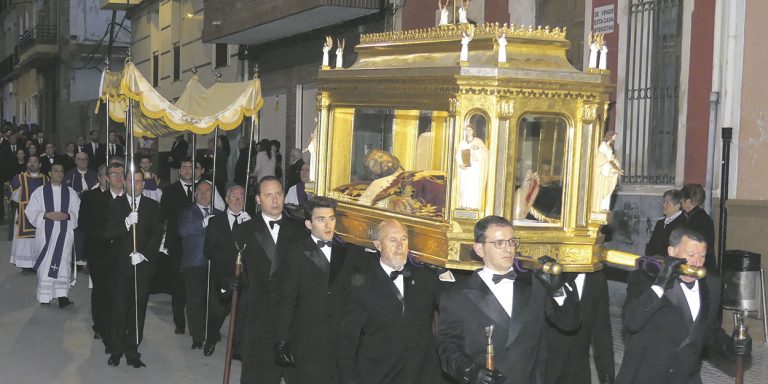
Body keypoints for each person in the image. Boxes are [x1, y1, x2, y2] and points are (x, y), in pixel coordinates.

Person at [438, 215, 580, 384]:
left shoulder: (534, 284)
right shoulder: (456, 295)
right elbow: (448, 349)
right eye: (499, 243)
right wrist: (472, 372)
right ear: (479, 249)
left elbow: (570, 323)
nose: (508, 249)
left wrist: (557, 289)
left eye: (511, 242)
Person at [617, 227, 752, 383]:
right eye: (691, 255)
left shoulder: (711, 286)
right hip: (645, 377)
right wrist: (660, 285)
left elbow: (709, 332)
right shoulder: (644, 279)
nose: (697, 263)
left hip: (686, 377)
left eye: (702, 256)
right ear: (672, 252)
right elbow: (631, 322)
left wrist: (732, 347)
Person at [336, 219, 443, 384]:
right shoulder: (362, 285)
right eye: (392, 240)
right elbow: (346, 340)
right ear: (378, 245)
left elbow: (454, 306)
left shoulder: (426, 279)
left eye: (404, 239)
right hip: (379, 375)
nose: (400, 245)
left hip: (423, 375)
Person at [275, 196, 361, 384]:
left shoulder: (348, 251)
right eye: (321, 220)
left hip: (340, 339)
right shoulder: (296, 252)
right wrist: (282, 341)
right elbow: (287, 299)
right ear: (308, 223)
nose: (328, 225)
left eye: (331, 218)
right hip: (308, 338)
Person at [237, 176, 305, 384]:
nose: (275, 200)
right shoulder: (245, 230)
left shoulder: (300, 229)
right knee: (260, 373)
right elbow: (232, 268)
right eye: (268, 195)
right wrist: (228, 282)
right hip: (260, 315)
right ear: (258, 199)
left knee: (299, 372)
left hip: (295, 315)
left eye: (279, 194)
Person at [104, 169, 163, 368]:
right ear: (125, 182)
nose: (135, 185)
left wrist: (144, 254)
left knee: (137, 311)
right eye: (131, 181)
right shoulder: (114, 205)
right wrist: (126, 223)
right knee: (119, 309)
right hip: (120, 266)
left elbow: (157, 233)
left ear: (143, 185)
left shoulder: (152, 206)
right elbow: (107, 232)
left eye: (139, 182)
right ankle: (116, 350)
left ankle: (132, 351)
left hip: (142, 266)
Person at [542, 270, 614, 384]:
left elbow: (602, 329)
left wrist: (607, 375)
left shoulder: (596, 277)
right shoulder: (547, 272)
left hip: (578, 369)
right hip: (544, 368)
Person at [205, 185, 252, 358]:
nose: (238, 199)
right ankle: (211, 338)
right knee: (218, 312)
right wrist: (228, 269)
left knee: (241, 314)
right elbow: (209, 250)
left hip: (245, 277)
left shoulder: (251, 221)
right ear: (226, 199)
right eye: (234, 196)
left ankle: (237, 349)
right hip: (223, 275)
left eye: (241, 196)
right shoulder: (215, 221)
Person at [178, 181, 224, 353]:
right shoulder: (187, 212)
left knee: (214, 302)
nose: (204, 194)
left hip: (215, 264)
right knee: (195, 301)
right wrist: (203, 223)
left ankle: (212, 331)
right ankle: (197, 336)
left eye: (208, 191)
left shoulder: (220, 214)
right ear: (195, 194)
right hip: (194, 263)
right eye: (201, 191)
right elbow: (183, 231)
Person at [26, 163, 80, 307]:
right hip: (46, 233)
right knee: (46, 262)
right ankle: (45, 296)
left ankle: (62, 295)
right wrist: (46, 214)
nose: (59, 173)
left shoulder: (71, 193)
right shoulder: (39, 192)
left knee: (63, 262)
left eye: (61, 171)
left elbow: (77, 211)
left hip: (64, 233)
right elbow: (30, 211)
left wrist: (67, 216)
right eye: (55, 171)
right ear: (49, 173)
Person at [334, 149, 446, 217]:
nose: (380, 161)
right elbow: (364, 203)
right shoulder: (376, 185)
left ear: (392, 156)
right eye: (373, 164)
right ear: (373, 175)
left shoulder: (417, 174)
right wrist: (389, 202)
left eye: (380, 156)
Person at [79, 164, 120, 344]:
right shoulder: (89, 196)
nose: (111, 178)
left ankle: (117, 323)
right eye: (107, 175)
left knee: (117, 289)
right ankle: (100, 326)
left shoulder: (123, 196)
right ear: (100, 177)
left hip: (119, 252)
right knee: (101, 290)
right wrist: (105, 235)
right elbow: (83, 223)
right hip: (98, 251)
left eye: (119, 174)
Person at [9, 155, 49, 269]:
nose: (32, 163)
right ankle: (25, 264)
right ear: (26, 164)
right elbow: (13, 196)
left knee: (39, 237)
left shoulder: (46, 179)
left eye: (35, 161)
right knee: (25, 241)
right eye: (30, 161)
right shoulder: (19, 178)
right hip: (23, 213)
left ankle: (39, 261)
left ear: (40, 165)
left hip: (41, 214)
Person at [64, 151, 98, 265]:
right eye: (80, 159)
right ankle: (77, 258)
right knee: (78, 233)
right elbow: (66, 192)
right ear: (76, 161)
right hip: (76, 208)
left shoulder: (94, 174)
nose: (83, 161)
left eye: (85, 159)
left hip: (92, 209)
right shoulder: (70, 175)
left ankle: (89, 258)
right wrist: (79, 193)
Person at [681, 183, 716, 274]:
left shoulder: (694, 221)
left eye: (682, 201)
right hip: (705, 267)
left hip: (698, 269)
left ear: (688, 201)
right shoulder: (703, 217)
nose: (680, 203)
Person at [455, 124, 488, 209]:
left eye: (470, 130)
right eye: (466, 130)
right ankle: (464, 205)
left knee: (473, 188)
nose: (468, 132)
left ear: (473, 131)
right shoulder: (462, 143)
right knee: (465, 188)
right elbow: (458, 155)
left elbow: (486, 153)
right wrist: (460, 164)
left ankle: (474, 206)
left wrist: (478, 150)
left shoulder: (478, 141)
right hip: (465, 170)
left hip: (475, 170)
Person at [645, 189, 687, 257]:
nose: (663, 205)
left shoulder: (683, 223)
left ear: (677, 205)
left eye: (667, 202)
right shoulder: (660, 223)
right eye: (664, 202)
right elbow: (651, 245)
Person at [591, 130, 623, 212]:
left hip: (608, 172)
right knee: (602, 190)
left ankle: (604, 208)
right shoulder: (603, 145)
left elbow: (611, 160)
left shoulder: (609, 147)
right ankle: (598, 208)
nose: (615, 139)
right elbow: (600, 158)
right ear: (610, 136)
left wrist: (617, 168)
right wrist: (609, 166)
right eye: (614, 137)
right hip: (602, 172)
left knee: (607, 191)